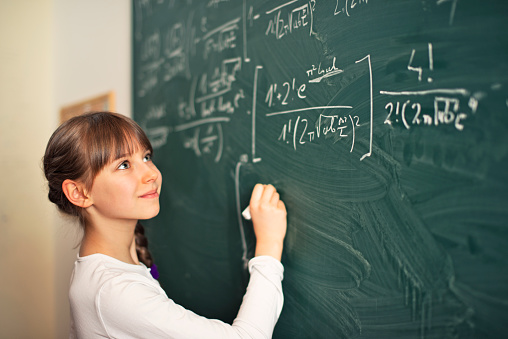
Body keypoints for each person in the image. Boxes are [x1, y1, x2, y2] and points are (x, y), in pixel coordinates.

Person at [43, 111, 287, 338]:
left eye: (146, 157)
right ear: (79, 192)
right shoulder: (113, 292)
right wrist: (270, 243)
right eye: (124, 165)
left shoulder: (105, 267)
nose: (151, 173)